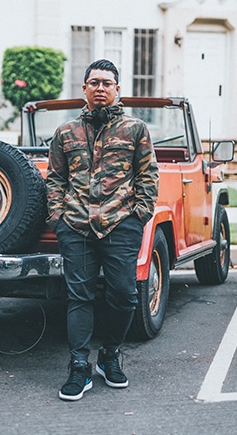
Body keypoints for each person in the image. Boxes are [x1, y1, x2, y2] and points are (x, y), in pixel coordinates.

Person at [46, 59, 159, 401]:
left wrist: (139, 214)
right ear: (84, 88)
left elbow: (148, 177)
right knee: (79, 297)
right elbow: (55, 179)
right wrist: (58, 218)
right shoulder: (66, 132)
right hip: (76, 225)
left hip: (121, 224)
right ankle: (79, 366)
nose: (100, 88)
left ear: (117, 89)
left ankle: (109, 356)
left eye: (106, 83)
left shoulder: (135, 129)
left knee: (124, 296)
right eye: (94, 82)